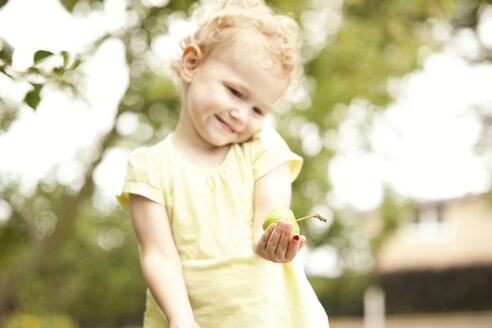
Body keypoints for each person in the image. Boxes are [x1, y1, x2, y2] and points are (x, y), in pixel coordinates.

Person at [117, 1, 329, 327]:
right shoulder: (149, 167)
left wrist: (270, 240)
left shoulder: (263, 147)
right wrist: (180, 319)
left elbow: (269, 213)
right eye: (235, 92)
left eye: (259, 110)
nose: (242, 115)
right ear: (191, 64)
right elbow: (159, 254)